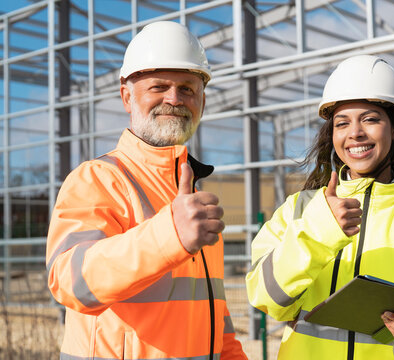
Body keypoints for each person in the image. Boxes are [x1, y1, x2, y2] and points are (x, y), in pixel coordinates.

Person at [246, 55, 394, 359]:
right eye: (342, 123)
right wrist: (318, 233)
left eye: (370, 119)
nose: (355, 132)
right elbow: (266, 297)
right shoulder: (299, 209)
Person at [46, 21, 247, 360]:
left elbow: (212, 316)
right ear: (127, 96)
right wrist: (168, 235)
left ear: (202, 100)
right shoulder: (98, 179)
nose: (174, 99)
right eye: (159, 86)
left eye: (187, 88)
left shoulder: (192, 194)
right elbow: (69, 282)